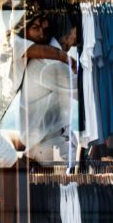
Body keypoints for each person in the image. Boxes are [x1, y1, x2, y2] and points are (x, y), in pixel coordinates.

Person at [20, 14, 80, 166]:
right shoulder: (50, 64)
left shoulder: (51, 59)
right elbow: (83, 93)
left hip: (51, 144)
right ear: (71, 31)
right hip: (50, 147)